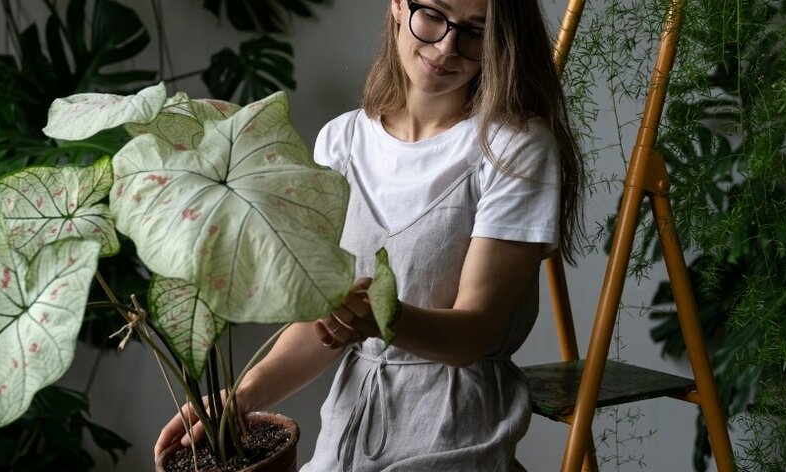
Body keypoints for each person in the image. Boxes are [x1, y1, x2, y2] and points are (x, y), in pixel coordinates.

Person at [156, 0, 583, 469]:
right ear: (399, 6)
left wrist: (383, 317)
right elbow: (322, 326)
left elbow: (473, 333)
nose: (446, 47)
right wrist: (237, 399)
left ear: (501, 42)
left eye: (475, 31)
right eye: (433, 15)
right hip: (347, 432)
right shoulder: (340, 143)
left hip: (456, 432)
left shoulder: (512, 148)